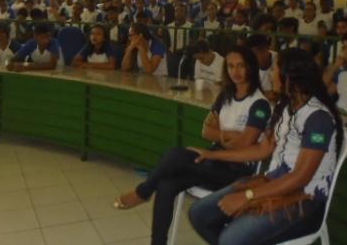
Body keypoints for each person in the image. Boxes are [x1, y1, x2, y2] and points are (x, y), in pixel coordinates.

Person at [114, 46, 271, 245]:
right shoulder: (225, 95)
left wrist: (223, 138)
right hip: (214, 162)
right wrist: (227, 136)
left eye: (241, 66)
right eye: (230, 66)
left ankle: (143, 191)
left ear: (251, 68)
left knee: (176, 154)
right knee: (166, 184)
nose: (235, 71)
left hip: (236, 171)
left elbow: (245, 144)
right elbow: (205, 131)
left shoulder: (259, 104)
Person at [188, 49, 344, 245]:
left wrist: (247, 196)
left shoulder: (318, 118)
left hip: (304, 200)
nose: (270, 73)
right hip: (274, 182)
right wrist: (214, 155)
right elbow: (261, 150)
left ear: (289, 77)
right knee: (199, 214)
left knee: (231, 238)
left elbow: (300, 178)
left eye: (274, 69)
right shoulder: (287, 107)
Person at [246, 34, 277, 102]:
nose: (258, 56)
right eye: (253, 54)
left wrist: (257, 94)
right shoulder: (249, 65)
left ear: (267, 48)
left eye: (261, 51)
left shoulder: (279, 60)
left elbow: (276, 95)